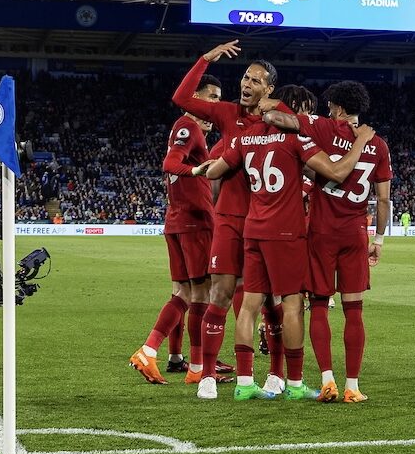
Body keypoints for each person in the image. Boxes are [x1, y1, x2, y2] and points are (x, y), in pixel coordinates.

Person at [206, 85, 375, 401]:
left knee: (250, 305)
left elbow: (213, 170)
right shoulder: (296, 137)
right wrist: (361, 142)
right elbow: (336, 172)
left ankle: (244, 383)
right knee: (293, 305)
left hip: (252, 228)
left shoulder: (245, 137)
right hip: (285, 232)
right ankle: (294, 383)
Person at [171, 40, 290, 400]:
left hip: (264, 221)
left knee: (269, 300)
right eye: (245, 77)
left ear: (268, 88)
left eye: (255, 80)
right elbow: (183, 99)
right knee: (220, 295)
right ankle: (206, 375)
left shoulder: (277, 119)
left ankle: (276, 374)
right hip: (228, 220)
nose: (246, 84)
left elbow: (303, 128)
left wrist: (279, 108)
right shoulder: (226, 114)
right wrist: (204, 58)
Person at [262, 80, 392, 403]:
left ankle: (327, 380)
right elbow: (384, 199)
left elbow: (278, 118)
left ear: (337, 107)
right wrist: (379, 239)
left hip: (321, 232)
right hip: (355, 234)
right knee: (354, 310)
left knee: (319, 305)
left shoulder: (322, 127)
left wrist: (270, 104)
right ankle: (353, 386)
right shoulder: (379, 145)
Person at [129, 75, 223, 385]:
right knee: (202, 294)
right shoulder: (189, 126)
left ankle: (163, 356)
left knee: (184, 293)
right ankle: (189, 363)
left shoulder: (188, 129)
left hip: (179, 220)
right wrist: (195, 170)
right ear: (195, 96)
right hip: (195, 222)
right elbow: (171, 163)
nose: (215, 103)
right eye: (211, 96)